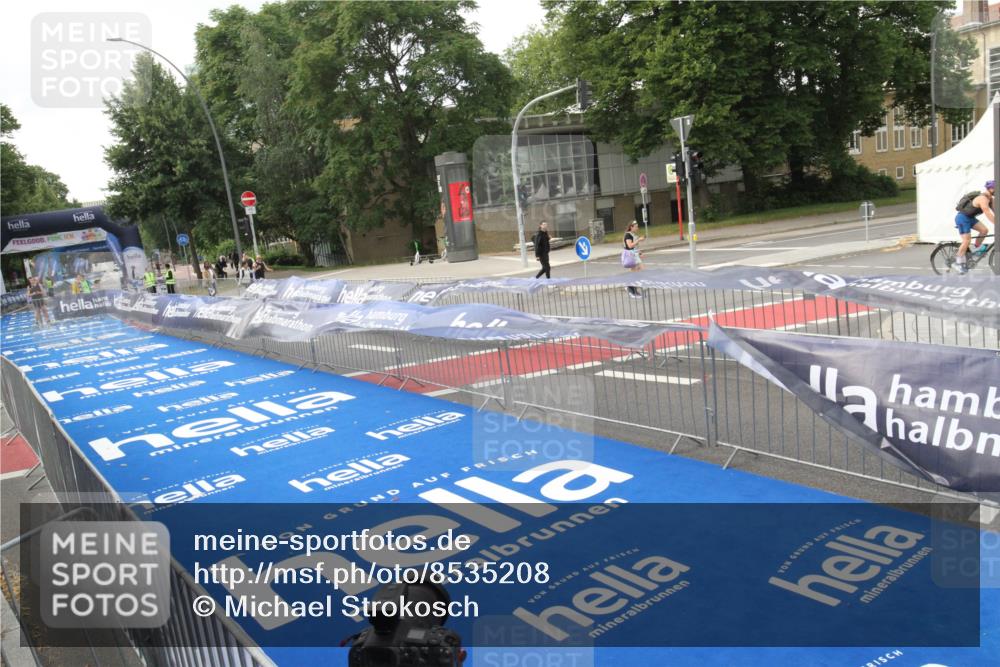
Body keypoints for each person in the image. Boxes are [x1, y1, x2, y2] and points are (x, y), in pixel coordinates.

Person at [954, 180, 996, 274]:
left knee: (984, 230)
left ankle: (975, 250)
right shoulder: (982, 198)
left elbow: (995, 211)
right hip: (962, 218)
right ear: (990, 189)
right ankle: (958, 263)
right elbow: (987, 213)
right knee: (967, 240)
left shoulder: (990, 199)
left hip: (970, 218)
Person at [622, 221, 645, 297]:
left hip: (635, 254)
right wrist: (638, 240)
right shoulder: (628, 235)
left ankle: (630, 286)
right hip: (631, 255)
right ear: (631, 227)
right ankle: (631, 288)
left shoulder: (633, 235)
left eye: (637, 226)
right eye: (636, 226)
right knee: (636, 271)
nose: (637, 228)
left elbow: (635, 247)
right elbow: (630, 246)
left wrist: (640, 252)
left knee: (639, 270)